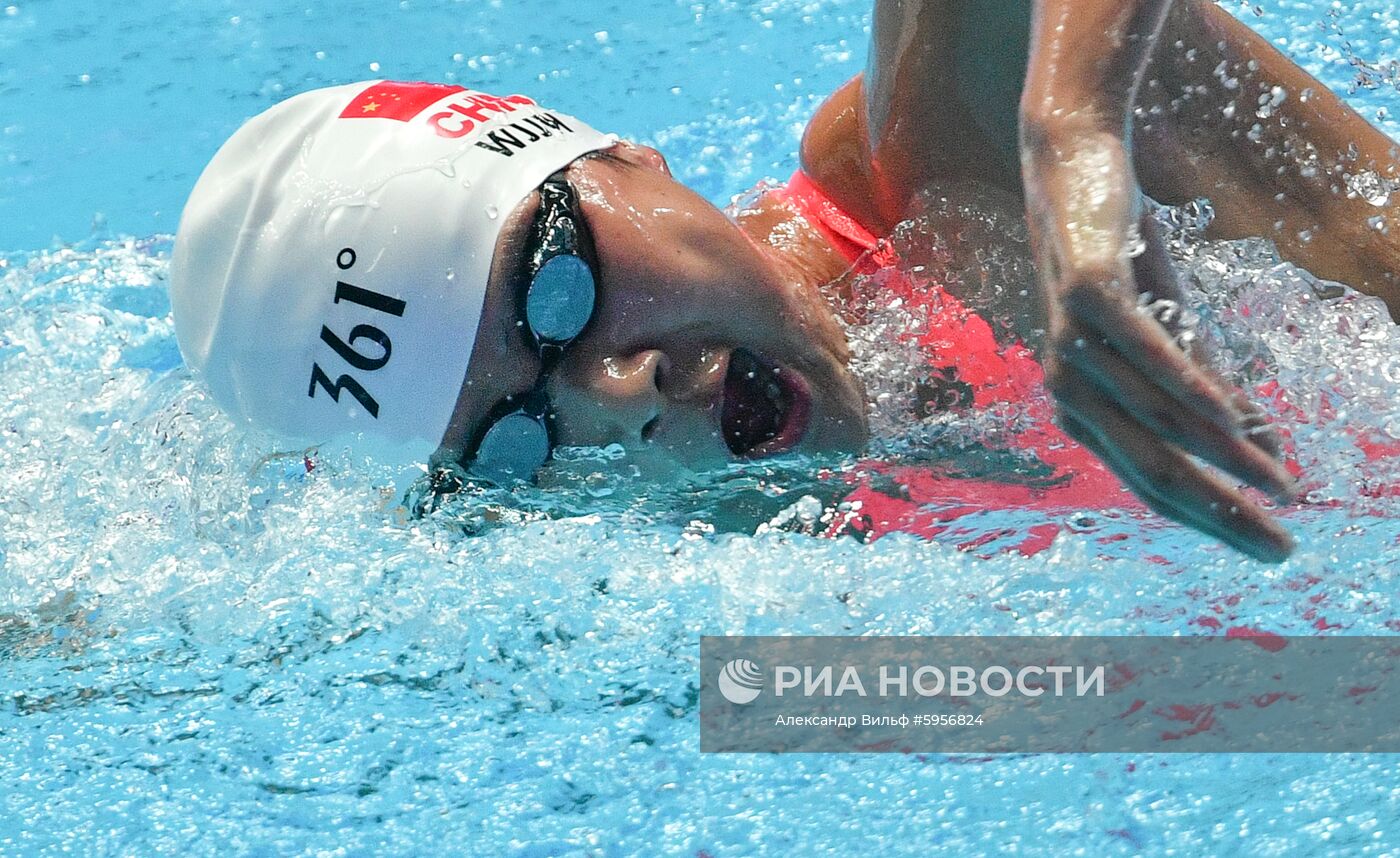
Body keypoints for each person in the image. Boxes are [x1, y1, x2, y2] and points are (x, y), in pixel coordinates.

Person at [169, 0, 1400, 563]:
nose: (620, 392)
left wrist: (1071, 129)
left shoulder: (938, 173)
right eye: (519, 437)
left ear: (623, 157)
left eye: (555, 287)